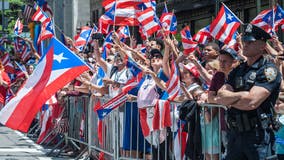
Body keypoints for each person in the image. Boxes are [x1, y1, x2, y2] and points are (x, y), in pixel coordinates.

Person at [216, 24, 281, 160]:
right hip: (234, 134)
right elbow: (220, 97)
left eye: (250, 42)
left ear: (262, 46)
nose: (245, 44)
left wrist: (233, 98)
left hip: (257, 136)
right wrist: (242, 95)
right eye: (245, 41)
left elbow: (251, 102)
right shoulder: (238, 70)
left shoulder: (268, 71)